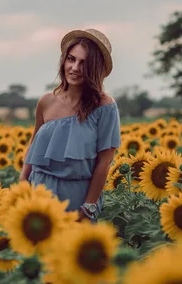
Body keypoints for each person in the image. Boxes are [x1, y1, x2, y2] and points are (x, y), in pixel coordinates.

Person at [19, 28, 121, 223]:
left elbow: (104, 163)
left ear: (94, 69)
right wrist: (21, 188)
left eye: (84, 63)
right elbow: (32, 150)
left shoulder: (104, 107)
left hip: (76, 198)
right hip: (38, 191)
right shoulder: (46, 102)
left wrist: (88, 206)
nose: (74, 68)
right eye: (71, 59)